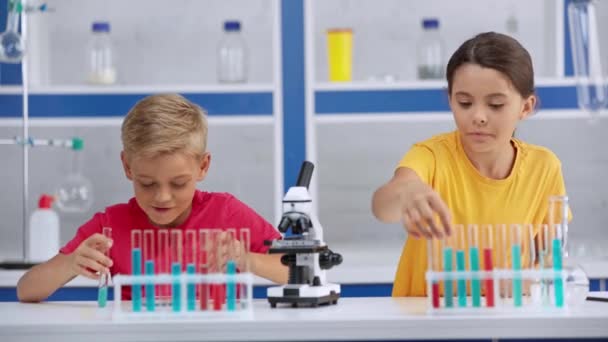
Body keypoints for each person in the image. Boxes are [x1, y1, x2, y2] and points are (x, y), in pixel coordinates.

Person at [17, 94, 287, 302]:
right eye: (146, 183)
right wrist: (70, 263)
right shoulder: (110, 225)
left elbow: (297, 271)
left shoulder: (226, 213)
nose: (163, 196)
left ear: (203, 166)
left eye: (179, 183)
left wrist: (249, 260)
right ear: (127, 167)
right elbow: (26, 290)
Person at [371, 32, 570, 297]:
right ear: (450, 100)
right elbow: (383, 205)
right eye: (464, 103)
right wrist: (407, 193)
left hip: (503, 324)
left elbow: (549, 262)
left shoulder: (544, 167)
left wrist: (522, 284)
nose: (478, 116)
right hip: (423, 326)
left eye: (496, 104)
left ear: (526, 107)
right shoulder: (431, 155)